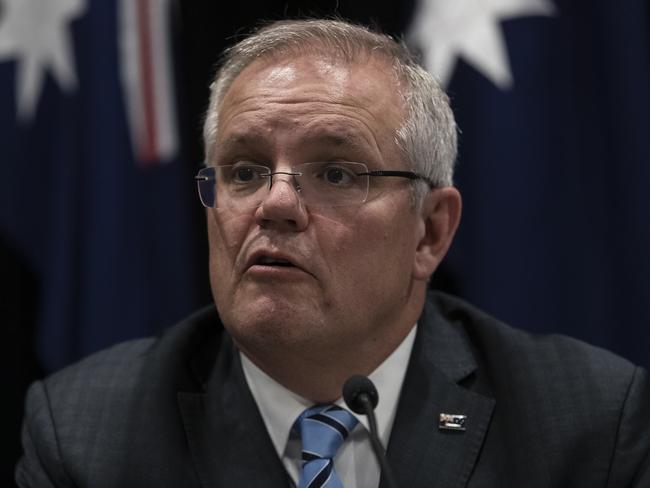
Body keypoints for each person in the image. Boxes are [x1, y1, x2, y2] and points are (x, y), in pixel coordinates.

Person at [16, 19, 650, 488]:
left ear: (429, 232)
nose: (274, 204)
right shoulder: (86, 434)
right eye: (242, 171)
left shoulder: (584, 426)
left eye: (338, 174)